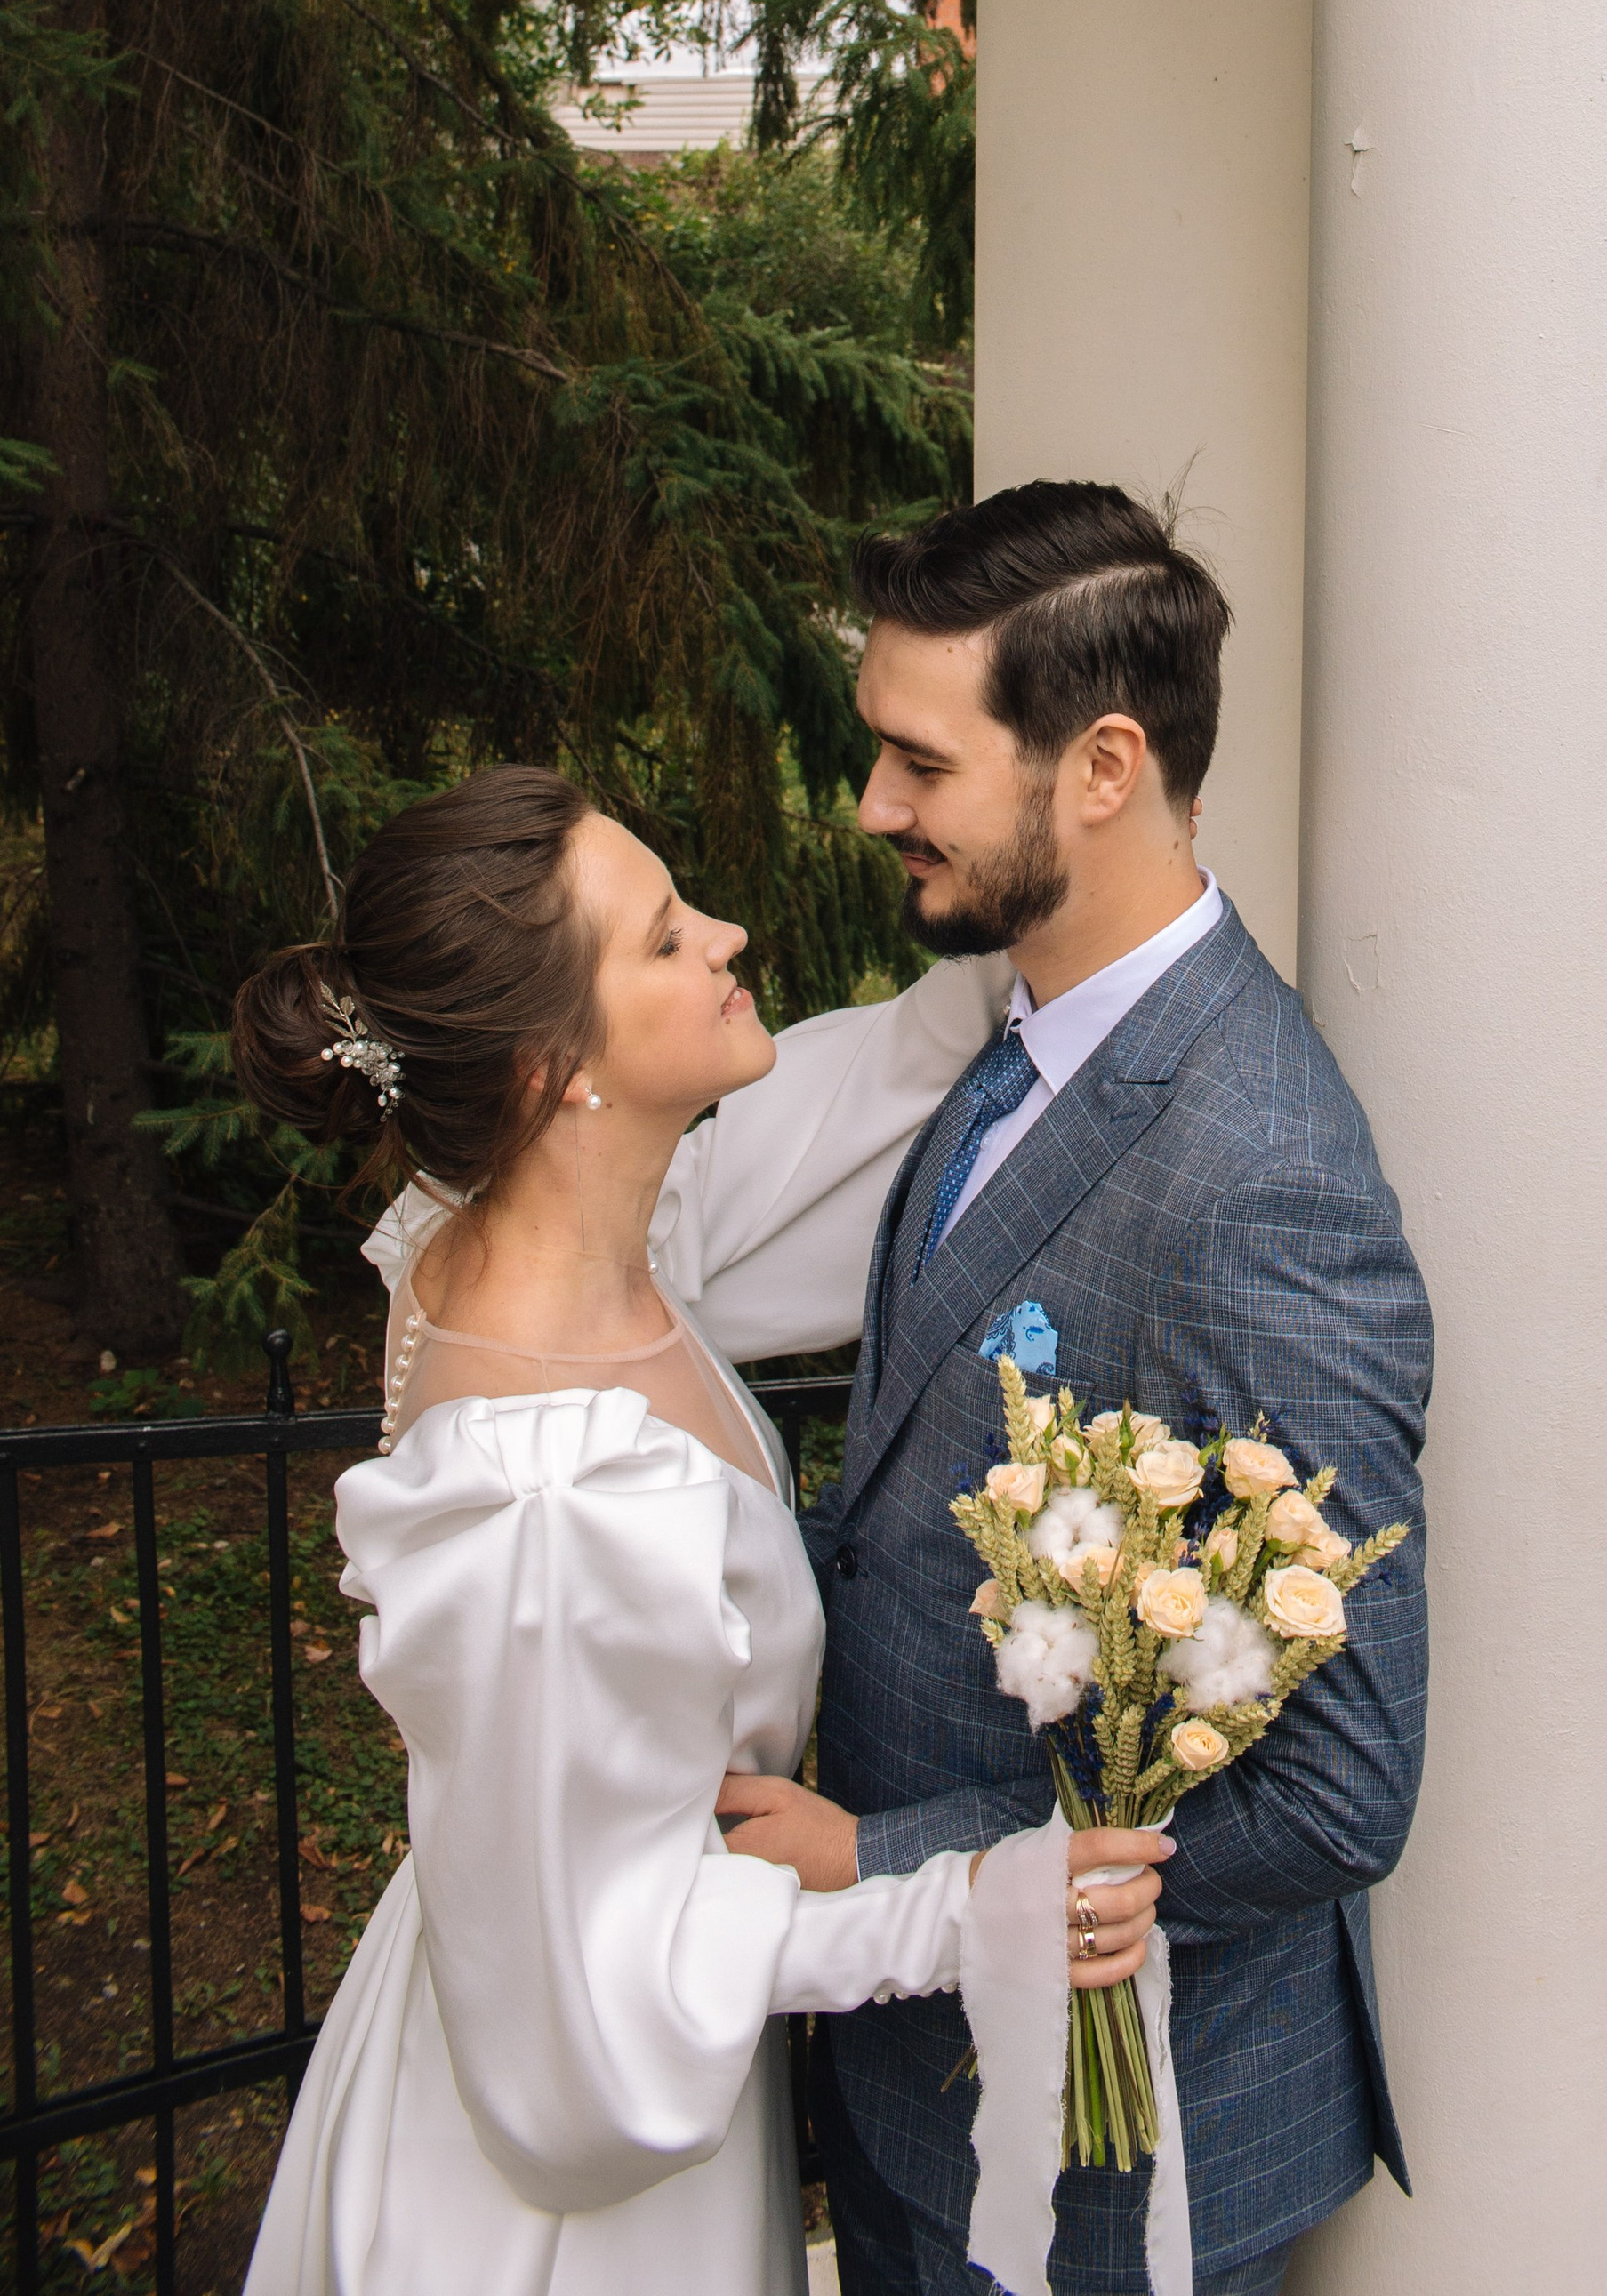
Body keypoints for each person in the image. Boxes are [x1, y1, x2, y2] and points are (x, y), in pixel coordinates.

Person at [234, 764, 1168, 2296]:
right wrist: (962, 1910)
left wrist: (1036, 810)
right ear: (551, 1070)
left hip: (526, 1934)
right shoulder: (549, 1497)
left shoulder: (580, 1232)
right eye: (667, 939)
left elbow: (883, 1076)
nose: (729, 935)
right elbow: (615, 1970)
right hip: (566, 2155)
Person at [719, 483, 1434, 2296]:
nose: (872, 805)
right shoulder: (1012, 1022)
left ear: (1099, 764)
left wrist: (885, 1859)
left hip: (1115, 2164)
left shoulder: (1259, 1178)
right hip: (916, 2084)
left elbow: (1334, 1799)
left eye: (918, 763)